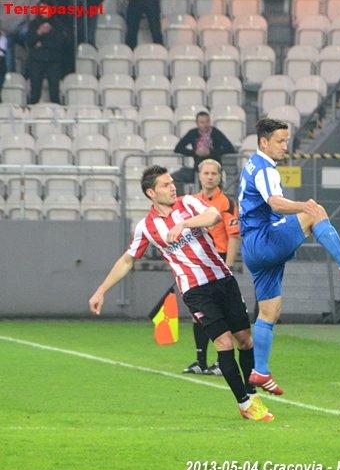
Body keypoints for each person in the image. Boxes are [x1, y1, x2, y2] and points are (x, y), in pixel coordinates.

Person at [88, 165, 273, 422]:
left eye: (172, 183)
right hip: (195, 290)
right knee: (224, 342)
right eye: (165, 185)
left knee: (245, 339)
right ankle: (244, 403)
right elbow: (128, 260)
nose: (172, 187)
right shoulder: (146, 227)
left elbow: (213, 216)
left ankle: (251, 394)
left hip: (223, 279)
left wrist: (184, 224)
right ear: (151, 193)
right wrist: (101, 290)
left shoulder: (188, 203)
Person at [239, 119, 340, 395]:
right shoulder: (265, 168)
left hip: (252, 247)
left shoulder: (252, 163)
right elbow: (275, 203)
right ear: (264, 142)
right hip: (264, 239)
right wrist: (303, 205)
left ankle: (260, 371)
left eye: (286, 140)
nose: (285, 146)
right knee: (315, 212)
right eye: (280, 141)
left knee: (269, 311)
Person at [182, 159, 243, 377]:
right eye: (206, 173)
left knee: (220, 312)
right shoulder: (191, 202)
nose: (209, 177)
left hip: (219, 260)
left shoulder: (226, 203)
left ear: (220, 177)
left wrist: (228, 266)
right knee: (198, 314)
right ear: (199, 176)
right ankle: (200, 361)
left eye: (213, 173)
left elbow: (233, 236)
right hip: (198, 262)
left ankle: (220, 361)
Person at [173, 112, 236, 185]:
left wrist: (210, 152)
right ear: (197, 123)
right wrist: (195, 152)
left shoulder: (216, 133)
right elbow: (178, 148)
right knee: (172, 178)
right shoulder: (192, 133)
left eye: (207, 121)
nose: (205, 125)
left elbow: (230, 148)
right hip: (198, 170)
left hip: (214, 170)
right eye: (202, 122)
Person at [26, 3, 71, 104]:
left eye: (46, 8)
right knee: (34, 96)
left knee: (54, 95)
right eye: (42, 8)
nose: (44, 11)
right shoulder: (33, 24)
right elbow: (29, 42)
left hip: (54, 61)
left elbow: (60, 43)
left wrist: (42, 43)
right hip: (36, 61)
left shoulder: (58, 24)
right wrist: (39, 32)